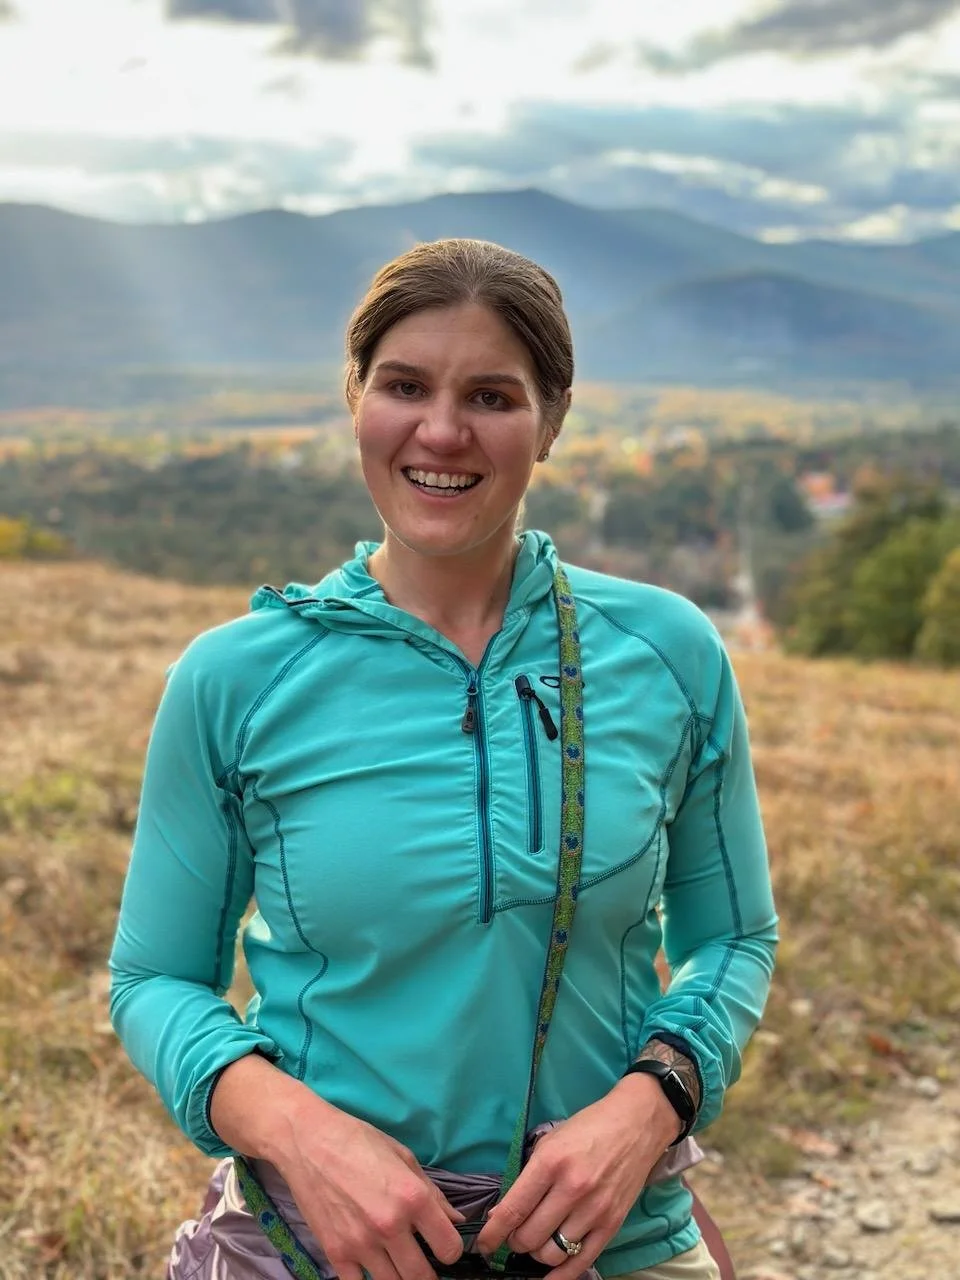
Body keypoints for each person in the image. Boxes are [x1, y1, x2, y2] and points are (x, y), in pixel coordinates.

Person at [109, 238, 778, 1280]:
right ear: (356, 398)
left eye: (493, 396)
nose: (442, 430)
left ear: (551, 419)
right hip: (318, 1236)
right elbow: (153, 977)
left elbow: (732, 934)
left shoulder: (668, 653)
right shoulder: (236, 678)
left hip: (598, 1232)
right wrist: (300, 1135)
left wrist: (652, 1105)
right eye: (405, 385)